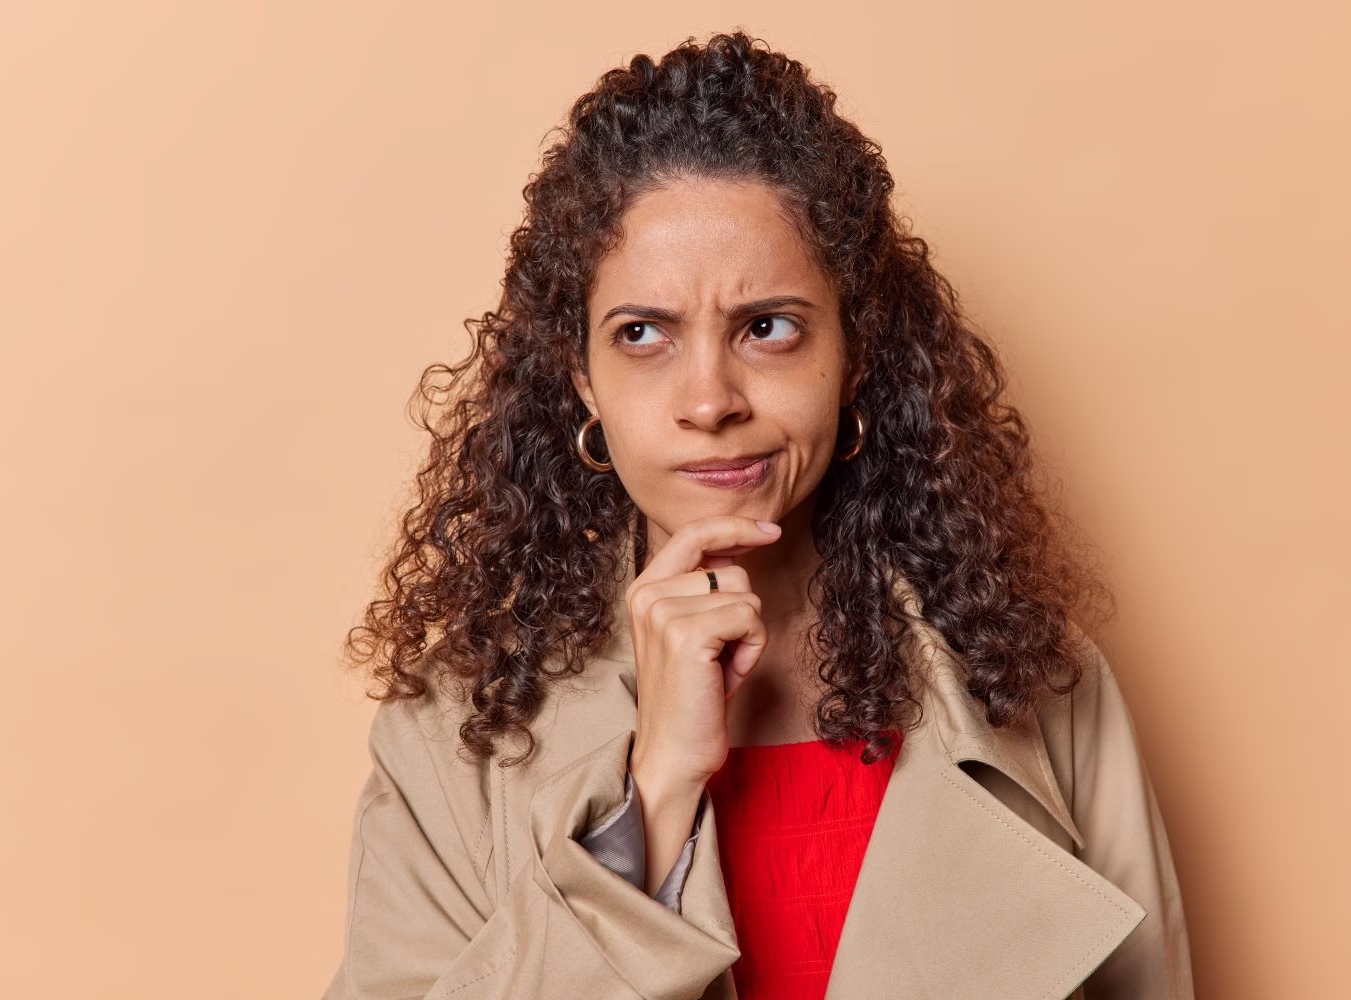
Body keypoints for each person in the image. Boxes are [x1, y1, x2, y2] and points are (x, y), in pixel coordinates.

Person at [322, 29, 1194, 1000]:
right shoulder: (453, 734)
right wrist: (653, 797)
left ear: (854, 352)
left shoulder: (1038, 678)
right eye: (643, 333)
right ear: (582, 376)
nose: (710, 399)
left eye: (767, 328)